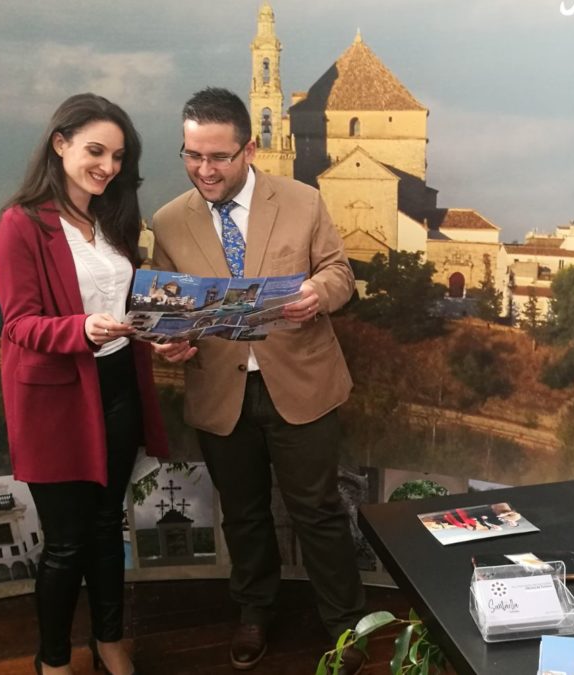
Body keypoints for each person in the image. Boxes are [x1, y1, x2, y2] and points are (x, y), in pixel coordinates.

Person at [151, 87, 366, 673]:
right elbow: (171, 308)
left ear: (248, 150)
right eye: (192, 155)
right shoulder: (168, 221)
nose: (204, 169)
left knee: (318, 511)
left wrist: (316, 296)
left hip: (302, 382)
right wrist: (171, 340)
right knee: (242, 514)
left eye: (218, 157)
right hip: (220, 393)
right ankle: (254, 612)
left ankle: (345, 626)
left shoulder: (301, 200)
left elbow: (340, 274)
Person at [0, 93, 169, 675]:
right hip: (58, 398)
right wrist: (82, 329)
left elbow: (128, 308)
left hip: (118, 383)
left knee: (105, 525)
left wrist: (158, 337)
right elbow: (19, 325)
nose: (108, 167)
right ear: (59, 143)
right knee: (66, 542)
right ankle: (53, 659)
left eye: (118, 156)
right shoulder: (20, 224)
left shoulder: (114, 218)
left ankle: (111, 640)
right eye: (96, 150)